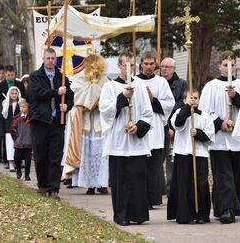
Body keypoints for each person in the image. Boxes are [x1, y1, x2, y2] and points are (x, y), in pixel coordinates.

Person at [99, 52, 153, 226]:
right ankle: (121, 215)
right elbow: (105, 112)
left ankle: (138, 214)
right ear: (119, 66)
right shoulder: (110, 87)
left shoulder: (141, 87)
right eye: (126, 66)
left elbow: (148, 113)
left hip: (136, 141)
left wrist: (138, 127)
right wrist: (122, 97)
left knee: (138, 177)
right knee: (120, 180)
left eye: (133, 66)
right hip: (118, 141)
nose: (130, 69)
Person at [199, 51, 240, 224]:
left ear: (235, 66)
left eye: (232, 64)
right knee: (223, 175)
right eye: (225, 65)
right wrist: (220, 123)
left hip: (238, 140)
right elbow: (205, 112)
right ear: (220, 66)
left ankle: (226, 209)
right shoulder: (211, 86)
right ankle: (227, 209)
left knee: (235, 174)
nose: (229, 68)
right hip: (219, 139)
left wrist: (236, 98)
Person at [28, 47, 74, 199]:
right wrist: (56, 92)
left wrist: (67, 106)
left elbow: (69, 97)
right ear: (43, 59)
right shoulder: (35, 77)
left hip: (57, 122)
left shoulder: (62, 78)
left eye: (53, 58)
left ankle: (53, 188)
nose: (50, 61)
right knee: (41, 155)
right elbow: (36, 94)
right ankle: (42, 185)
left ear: (56, 60)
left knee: (55, 155)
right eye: (48, 58)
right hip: (40, 121)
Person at [62, 54, 109, 195]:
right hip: (86, 122)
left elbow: (108, 98)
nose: (94, 69)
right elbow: (76, 99)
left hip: (100, 121)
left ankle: (102, 184)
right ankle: (89, 184)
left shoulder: (105, 81)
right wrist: (89, 98)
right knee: (87, 154)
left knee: (101, 154)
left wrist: (99, 100)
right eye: (91, 65)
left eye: (97, 66)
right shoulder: (79, 80)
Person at [134, 52, 175, 209]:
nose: (149, 66)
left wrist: (153, 100)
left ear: (155, 65)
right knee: (140, 166)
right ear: (141, 64)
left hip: (156, 128)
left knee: (154, 167)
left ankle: (152, 198)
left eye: (152, 64)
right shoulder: (134, 81)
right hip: (141, 127)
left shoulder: (161, 82)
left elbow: (170, 103)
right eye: (146, 63)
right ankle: (141, 197)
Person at [167, 89, 215, 224]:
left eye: (196, 98)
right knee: (184, 183)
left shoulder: (205, 116)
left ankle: (201, 214)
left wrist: (198, 133)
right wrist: (187, 109)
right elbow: (177, 124)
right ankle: (184, 214)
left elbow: (210, 136)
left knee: (200, 183)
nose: (193, 100)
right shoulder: (179, 112)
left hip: (199, 153)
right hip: (183, 153)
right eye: (190, 98)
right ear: (184, 100)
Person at [160, 57, 187, 195]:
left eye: (167, 66)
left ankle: (171, 186)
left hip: (175, 125)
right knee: (159, 158)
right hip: (160, 125)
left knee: (171, 157)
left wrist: (171, 126)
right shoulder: (158, 82)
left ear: (173, 69)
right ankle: (158, 187)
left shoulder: (182, 84)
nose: (164, 69)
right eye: (162, 66)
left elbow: (180, 104)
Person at [0, 86, 22, 172]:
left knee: (17, 146)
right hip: (8, 128)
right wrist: (1, 130)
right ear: (9, 94)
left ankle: (17, 162)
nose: (14, 95)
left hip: (18, 128)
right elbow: (1, 119)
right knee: (9, 146)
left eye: (16, 93)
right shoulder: (5, 103)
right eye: (12, 93)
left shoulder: (20, 103)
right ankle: (11, 163)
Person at [11, 99, 32, 181]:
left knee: (28, 160)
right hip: (18, 143)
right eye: (20, 107)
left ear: (28, 108)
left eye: (24, 107)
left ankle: (27, 174)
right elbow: (12, 128)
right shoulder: (17, 117)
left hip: (28, 143)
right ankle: (18, 171)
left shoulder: (31, 118)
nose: (22, 109)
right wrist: (16, 138)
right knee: (16, 157)